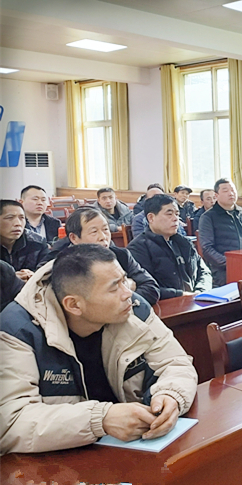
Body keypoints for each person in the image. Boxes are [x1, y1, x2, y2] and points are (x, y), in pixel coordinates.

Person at [0, 244, 198, 454]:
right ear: (74, 305)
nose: (128, 293)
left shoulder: (134, 309)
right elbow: (11, 422)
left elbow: (176, 362)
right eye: (114, 288)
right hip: (58, 463)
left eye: (124, 280)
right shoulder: (17, 330)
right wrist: (100, 419)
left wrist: (171, 395)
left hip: (132, 452)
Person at [39, 207, 160, 305]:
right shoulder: (60, 264)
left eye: (105, 229)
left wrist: (120, 298)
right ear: (74, 238)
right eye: (94, 232)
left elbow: (152, 289)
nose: (103, 237)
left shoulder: (121, 255)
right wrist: (126, 286)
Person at [128, 194, 211, 300]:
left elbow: (204, 271)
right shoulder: (138, 248)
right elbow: (146, 287)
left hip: (197, 300)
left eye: (177, 214)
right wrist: (181, 295)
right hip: (167, 304)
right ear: (151, 218)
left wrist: (200, 291)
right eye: (169, 214)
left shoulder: (184, 242)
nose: (175, 219)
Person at [198, 178, 242, 287]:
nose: (231, 193)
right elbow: (207, 248)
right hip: (224, 269)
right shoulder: (208, 217)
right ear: (216, 195)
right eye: (225, 190)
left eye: (233, 190)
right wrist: (231, 263)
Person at [0, 200, 49, 281]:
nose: (18, 223)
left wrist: (33, 276)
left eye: (21, 218)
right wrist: (10, 279)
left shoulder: (37, 242)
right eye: (10, 218)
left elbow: (47, 270)